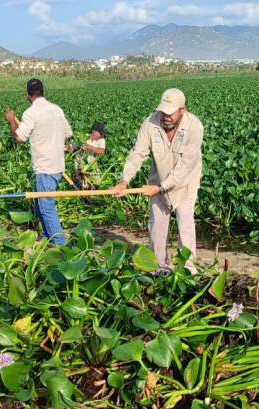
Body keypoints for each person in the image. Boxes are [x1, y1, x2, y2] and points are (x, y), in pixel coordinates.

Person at [113, 88, 203, 272]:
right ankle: (157, 267)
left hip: (185, 182)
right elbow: (138, 153)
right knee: (157, 226)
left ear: (182, 110)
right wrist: (124, 180)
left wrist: (162, 188)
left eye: (170, 113)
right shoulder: (151, 122)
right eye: (163, 112)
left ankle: (188, 270)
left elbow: (185, 166)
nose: (166, 116)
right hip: (158, 179)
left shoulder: (194, 126)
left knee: (185, 222)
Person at [4, 78, 73, 245]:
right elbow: (67, 134)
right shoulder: (57, 110)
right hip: (57, 165)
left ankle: (59, 242)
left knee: (46, 204)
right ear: (44, 92)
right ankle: (46, 235)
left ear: (27, 95)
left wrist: (12, 120)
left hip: (45, 166)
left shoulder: (31, 113)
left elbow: (19, 137)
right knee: (39, 201)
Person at [70, 120, 107, 190]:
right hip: (79, 161)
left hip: (91, 163)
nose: (102, 135)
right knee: (81, 180)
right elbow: (73, 146)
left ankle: (91, 191)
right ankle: (82, 191)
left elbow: (101, 151)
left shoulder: (101, 140)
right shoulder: (85, 137)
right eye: (100, 133)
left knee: (95, 180)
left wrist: (88, 146)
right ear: (94, 131)